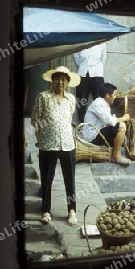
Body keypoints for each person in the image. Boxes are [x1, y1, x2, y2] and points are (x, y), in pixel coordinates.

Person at [31, 66, 80, 226]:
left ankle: (72, 211)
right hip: (48, 145)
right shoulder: (43, 97)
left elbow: (69, 118)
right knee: (47, 179)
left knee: (70, 180)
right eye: (57, 78)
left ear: (67, 82)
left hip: (67, 144)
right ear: (52, 81)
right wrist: (41, 137)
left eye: (64, 79)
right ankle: (46, 210)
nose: (60, 82)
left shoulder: (71, 99)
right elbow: (35, 119)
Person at [83, 83, 132, 165]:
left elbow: (110, 121)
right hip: (92, 136)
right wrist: (124, 118)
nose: (115, 96)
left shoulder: (104, 104)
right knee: (121, 126)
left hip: (99, 132)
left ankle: (115, 154)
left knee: (121, 136)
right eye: (114, 94)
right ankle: (117, 157)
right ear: (107, 96)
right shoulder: (99, 103)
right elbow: (110, 121)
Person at [74, 43, 107, 123]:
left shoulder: (101, 43)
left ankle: (99, 124)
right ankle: (82, 125)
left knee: (99, 100)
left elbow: (103, 59)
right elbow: (77, 58)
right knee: (82, 100)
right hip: (82, 74)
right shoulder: (80, 43)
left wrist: (96, 68)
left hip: (97, 74)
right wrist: (85, 66)